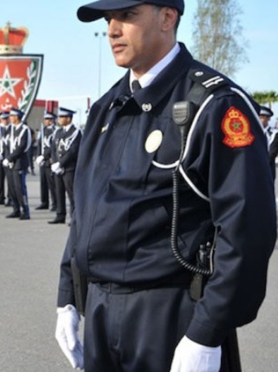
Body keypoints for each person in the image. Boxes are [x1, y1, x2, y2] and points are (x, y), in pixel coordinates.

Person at [55, 1, 276, 371]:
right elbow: (86, 212)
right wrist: (68, 296)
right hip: (100, 309)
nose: (112, 30)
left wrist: (207, 331)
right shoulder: (106, 109)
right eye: (109, 19)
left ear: (167, 17)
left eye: (126, 16)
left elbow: (246, 229)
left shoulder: (214, 105)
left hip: (169, 316)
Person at [49, 108, 81, 225]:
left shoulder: (75, 132)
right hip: (58, 168)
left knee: (72, 194)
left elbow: (73, 150)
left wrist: (61, 163)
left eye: (62, 117)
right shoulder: (58, 132)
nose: (60, 119)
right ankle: (60, 215)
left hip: (69, 168)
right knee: (59, 192)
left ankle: (74, 217)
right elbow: (54, 148)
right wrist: (54, 163)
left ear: (68, 118)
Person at [4, 107, 31, 220]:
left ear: (17, 117)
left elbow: (22, 147)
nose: (10, 118)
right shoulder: (10, 129)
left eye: (11, 116)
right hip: (10, 163)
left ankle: (25, 210)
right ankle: (16, 209)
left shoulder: (24, 129)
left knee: (20, 188)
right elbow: (6, 144)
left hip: (19, 162)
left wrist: (10, 158)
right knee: (12, 188)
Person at [34, 111, 58, 212]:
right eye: (45, 119)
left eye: (49, 119)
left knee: (52, 184)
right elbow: (39, 145)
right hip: (43, 160)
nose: (46, 121)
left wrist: (44, 156)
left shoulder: (55, 131)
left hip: (49, 160)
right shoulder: (42, 131)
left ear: (52, 120)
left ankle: (55, 203)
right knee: (43, 183)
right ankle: (44, 202)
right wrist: (38, 156)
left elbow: (52, 147)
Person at [259, 106, 278, 179]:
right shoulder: (252, 133)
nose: (260, 119)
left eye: (262, 117)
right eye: (259, 117)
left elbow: (272, 153)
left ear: (268, 118)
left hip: (268, 168)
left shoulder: (274, 133)